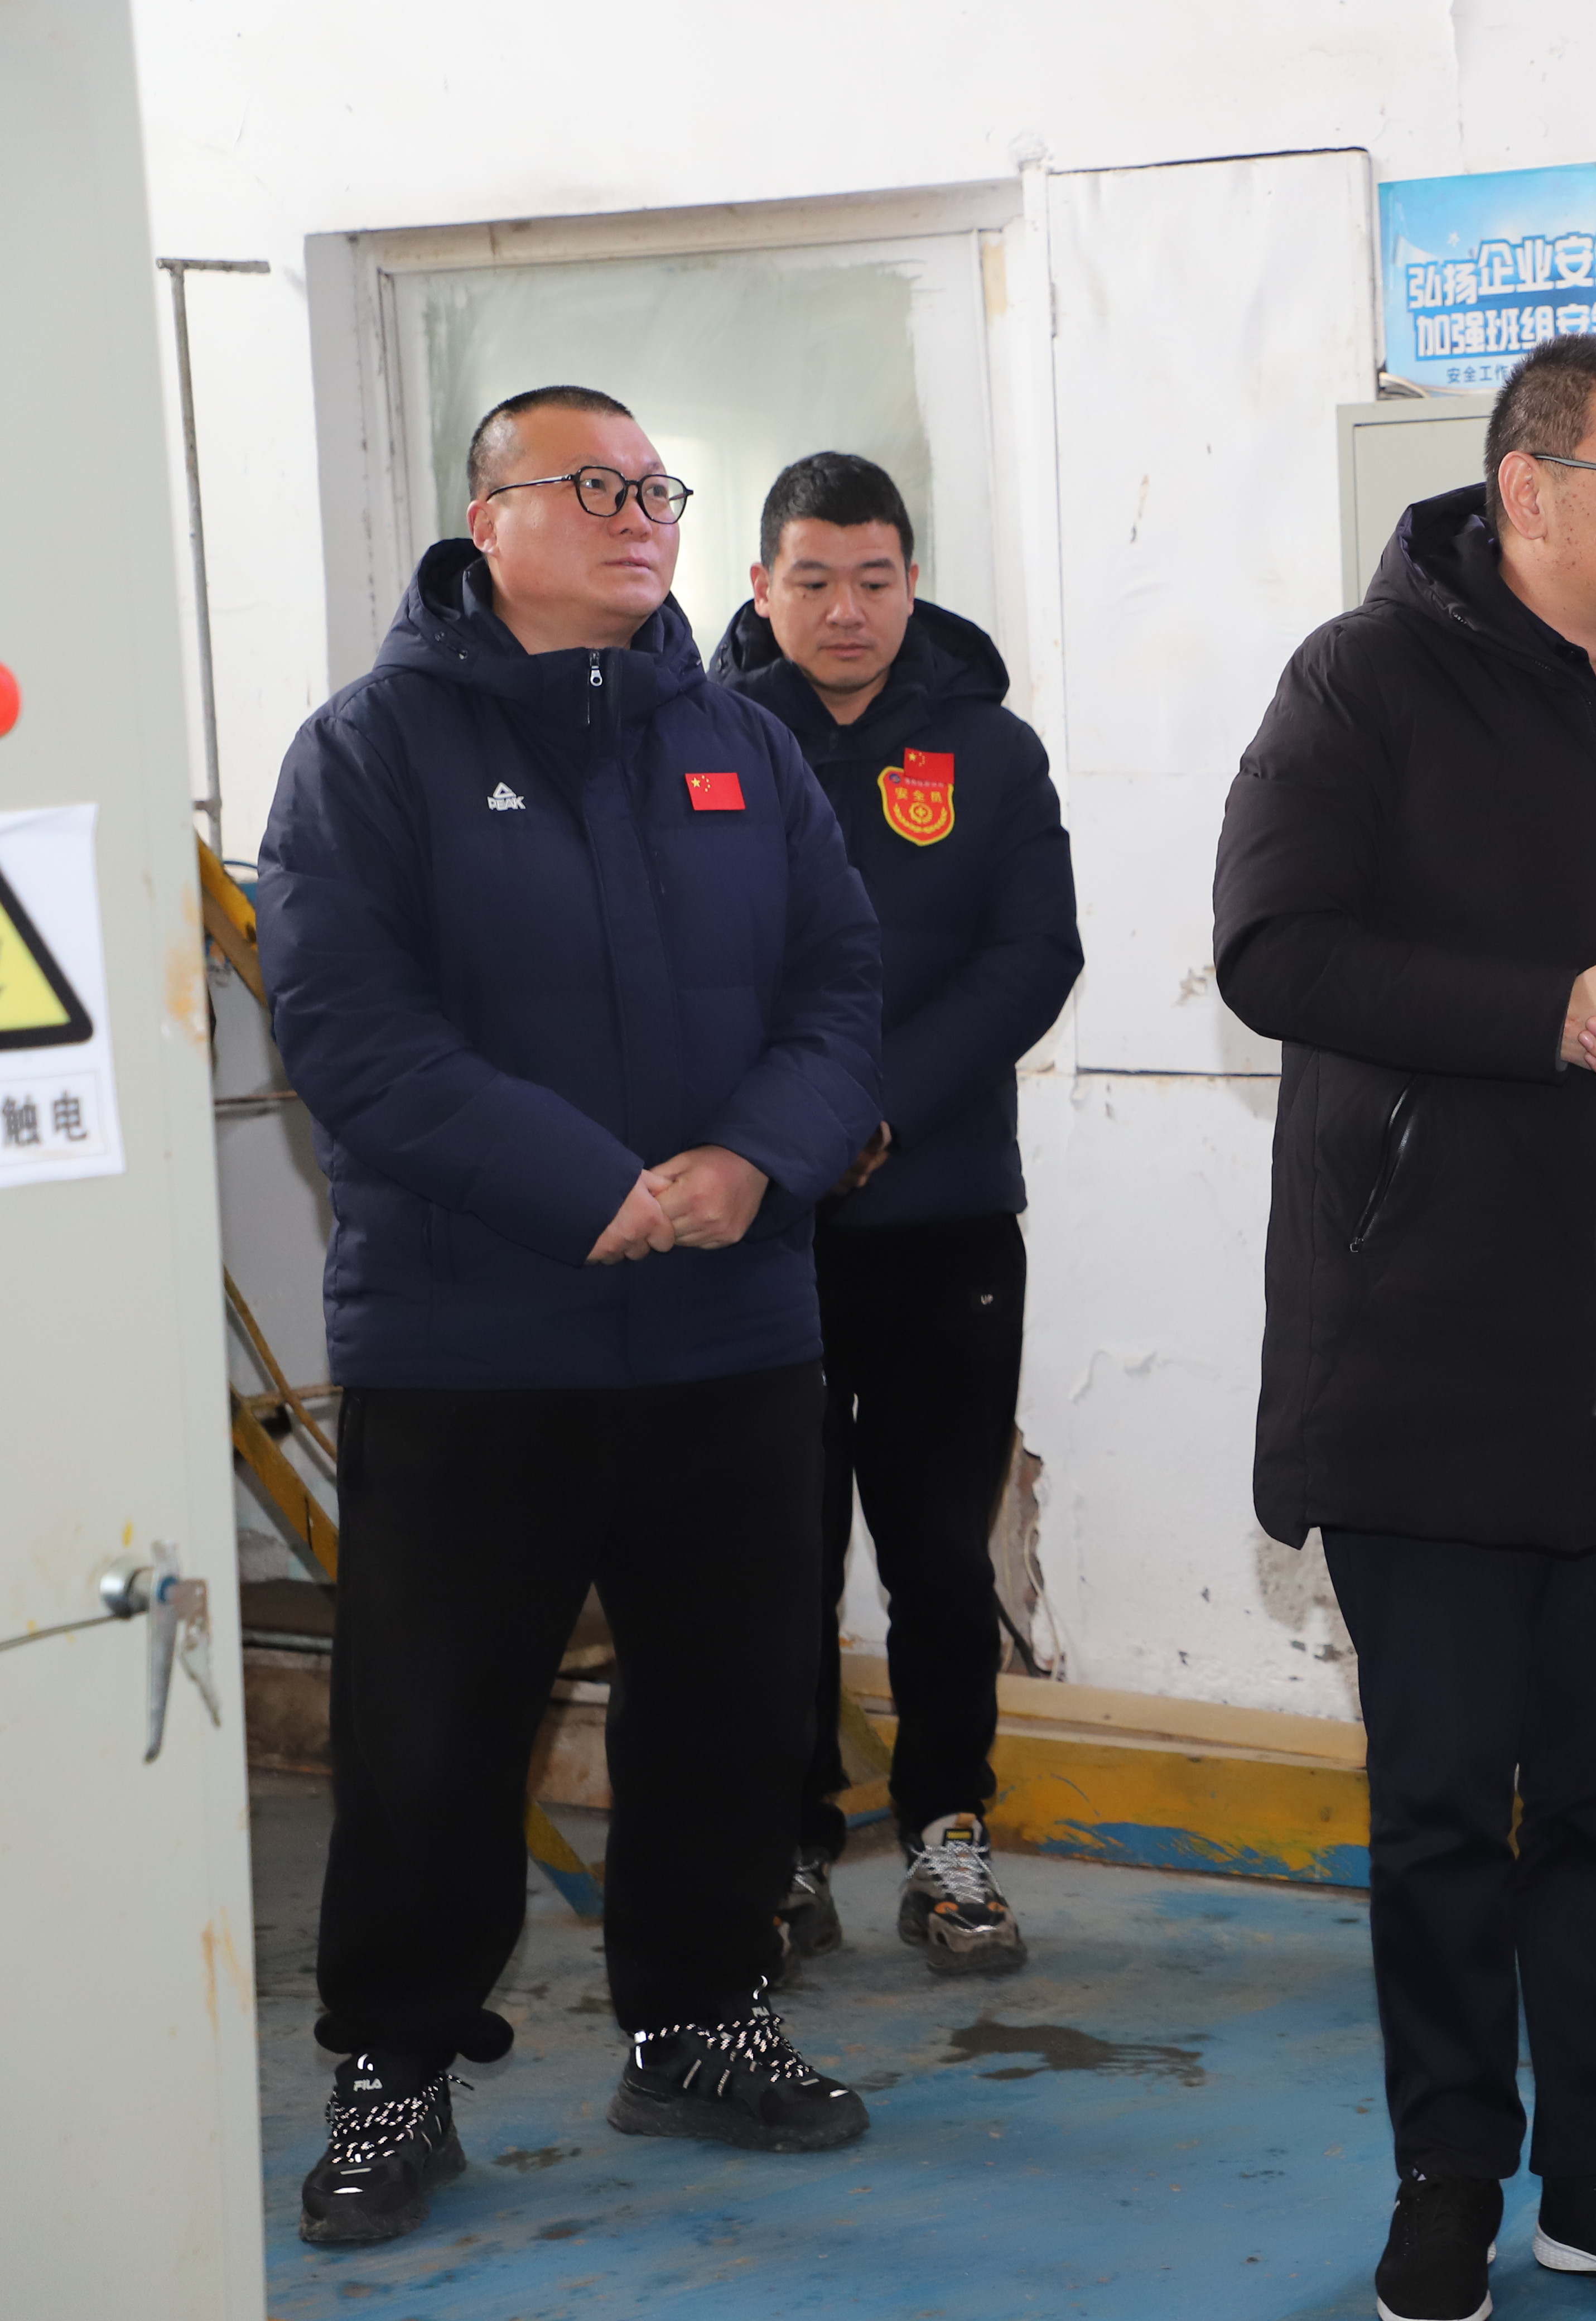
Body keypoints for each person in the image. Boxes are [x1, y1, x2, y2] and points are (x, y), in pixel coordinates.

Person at [1213, 334, 1596, 2321]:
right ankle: (1449, 2176)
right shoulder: (1361, 680)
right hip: (1425, 1339)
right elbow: (1273, 947)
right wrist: (1548, 1016)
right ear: (1526, 491)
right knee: (1447, 1807)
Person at [263, 385, 886, 2246]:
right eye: (593, 486)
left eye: (657, 488)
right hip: (478, 1337)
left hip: (730, 1323)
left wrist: (754, 1161)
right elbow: (348, 1026)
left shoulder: (741, 743)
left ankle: (697, 2022)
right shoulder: (368, 751)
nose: (640, 516)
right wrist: (583, 1186)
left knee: (729, 1707)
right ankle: (394, 2069)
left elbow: (839, 984)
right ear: (489, 519)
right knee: (433, 1732)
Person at [709, 450, 1083, 1981]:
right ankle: (786, 1845)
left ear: (913, 583)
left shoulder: (988, 751)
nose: (845, 610)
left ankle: (948, 1835)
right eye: (812, 581)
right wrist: (791, 1130)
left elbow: (1033, 957)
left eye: (873, 579)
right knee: (772, 1555)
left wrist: (873, 1110)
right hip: (757, 1226)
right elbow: (683, 966)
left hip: (942, 1212)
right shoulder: (699, 746)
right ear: (760, 588)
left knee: (939, 1552)